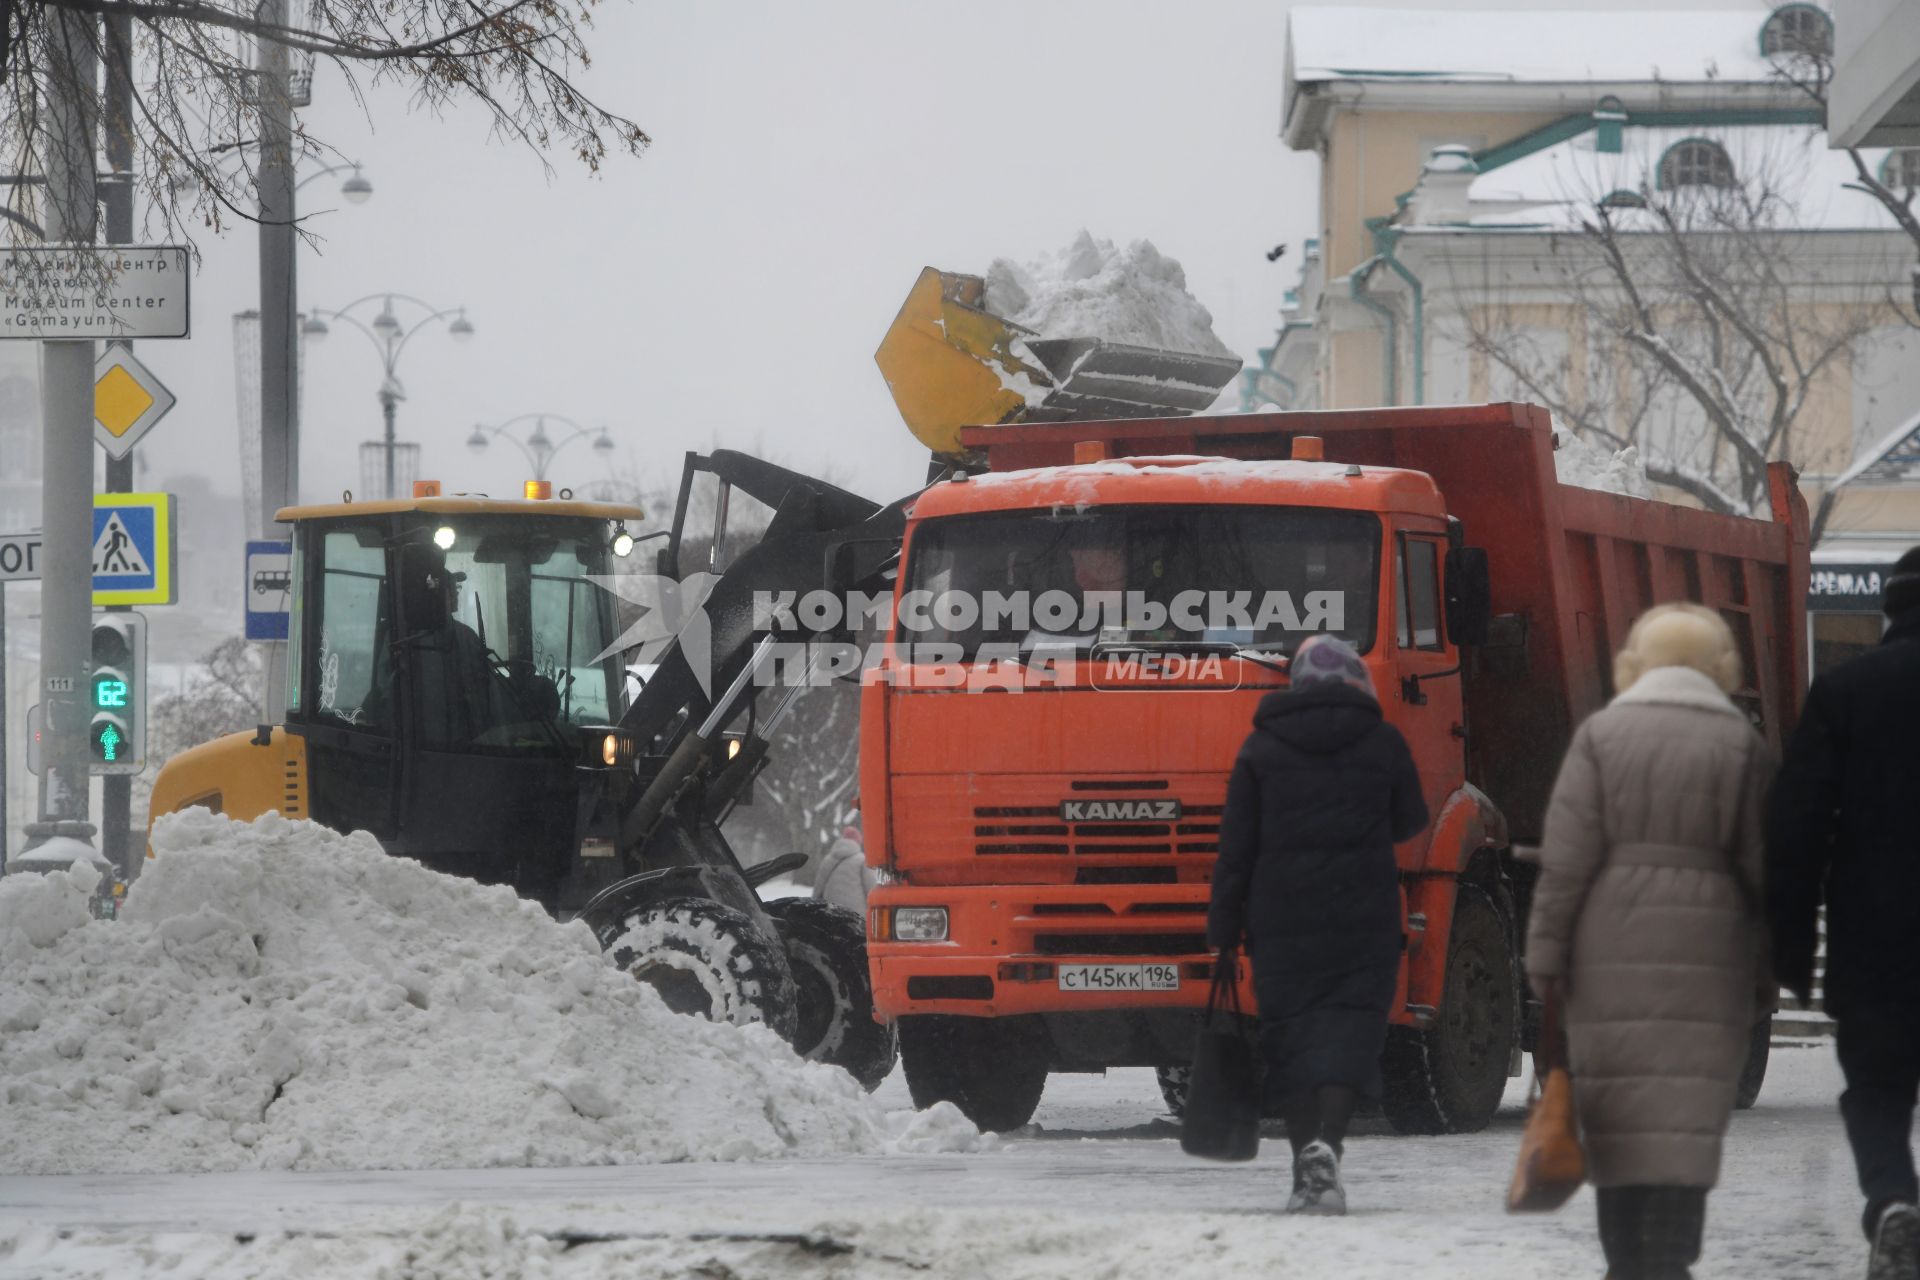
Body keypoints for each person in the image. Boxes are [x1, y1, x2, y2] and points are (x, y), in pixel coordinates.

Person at [1526, 604, 1774, 1280]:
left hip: (1609, 939)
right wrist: (1766, 966)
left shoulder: (1603, 734)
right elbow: (1764, 868)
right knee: (1685, 1117)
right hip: (1712, 943)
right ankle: (1669, 1257)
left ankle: (1625, 1260)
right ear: (1722, 668)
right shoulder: (1741, 745)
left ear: (1634, 663)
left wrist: (1546, 955)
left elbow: (1567, 861)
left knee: (1617, 1116)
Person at [1206, 633, 1427, 1215]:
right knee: (1351, 1032)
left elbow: (1236, 849)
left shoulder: (1261, 749)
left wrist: (1224, 930)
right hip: (1363, 916)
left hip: (1282, 919)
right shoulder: (1383, 742)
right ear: (1359, 681)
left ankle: (1307, 1157)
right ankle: (1328, 1143)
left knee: (1294, 1037)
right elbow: (1410, 821)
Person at [1768, 546, 1920, 1280]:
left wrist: (1790, 948)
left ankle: (1893, 1201)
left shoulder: (1844, 691)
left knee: (1879, 1088)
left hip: (1878, 937)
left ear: (1889, 610)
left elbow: (1796, 827)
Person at [813, 822, 876, 915]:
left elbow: (818, 888)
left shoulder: (828, 859)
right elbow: (871, 888)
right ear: (858, 842)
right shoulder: (862, 860)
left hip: (831, 912)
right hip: (855, 914)